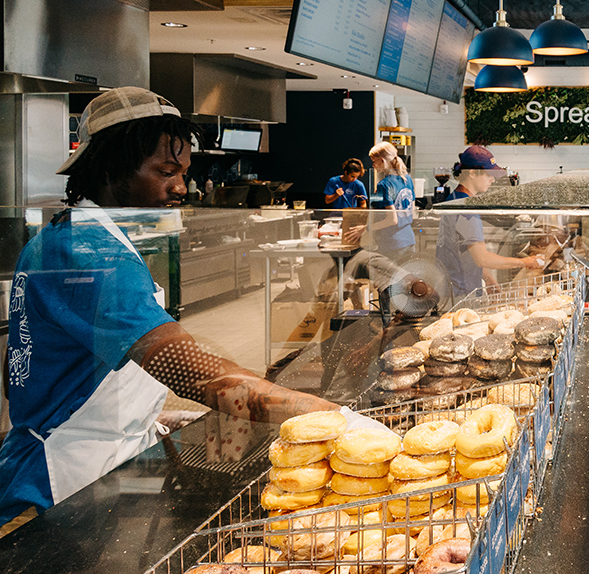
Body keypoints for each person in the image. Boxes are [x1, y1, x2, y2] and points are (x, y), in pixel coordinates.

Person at [0, 87, 347, 525]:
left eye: (183, 171)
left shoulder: (74, 234)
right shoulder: (87, 253)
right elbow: (190, 371)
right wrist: (327, 416)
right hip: (72, 476)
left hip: (112, 451)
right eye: (166, 172)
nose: (181, 187)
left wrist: (144, 412)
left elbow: (24, 375)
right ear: (110, 166)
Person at [434, 145, 541, 296]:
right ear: (471, 173)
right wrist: (525, 262)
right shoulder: (467, 211)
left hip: (452, 289)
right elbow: (482, 258)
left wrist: (488, 278)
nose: (492, 179)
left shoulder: (455, 199)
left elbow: (466, 252)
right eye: (488, 174)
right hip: (461, 295)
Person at [365, 141, 416, 259]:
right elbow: (412, 210)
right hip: (409, 239)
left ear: (382, 160)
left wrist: (366, 228)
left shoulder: (384, 184)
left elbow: (392, 220)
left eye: (374, 161)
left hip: (392, 243)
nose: (373, 165)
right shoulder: (407, 179)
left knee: (391, 277)